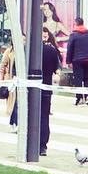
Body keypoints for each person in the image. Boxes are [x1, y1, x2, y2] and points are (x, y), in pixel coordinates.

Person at [38, 26, 61, 156]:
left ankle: (31, 142)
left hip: (31, 88)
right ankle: (43, 145)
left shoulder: (27, 49)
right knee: (44, 116)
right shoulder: (51, 50)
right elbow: (56, 69)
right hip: (46, 88)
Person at [66, 16, 88, 106]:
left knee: (78, 79)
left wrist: (68, 61)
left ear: (76, 23)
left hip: (77, 60)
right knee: (87, 79)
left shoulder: (73, 35)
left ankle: (79, 98)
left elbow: (70, 48)